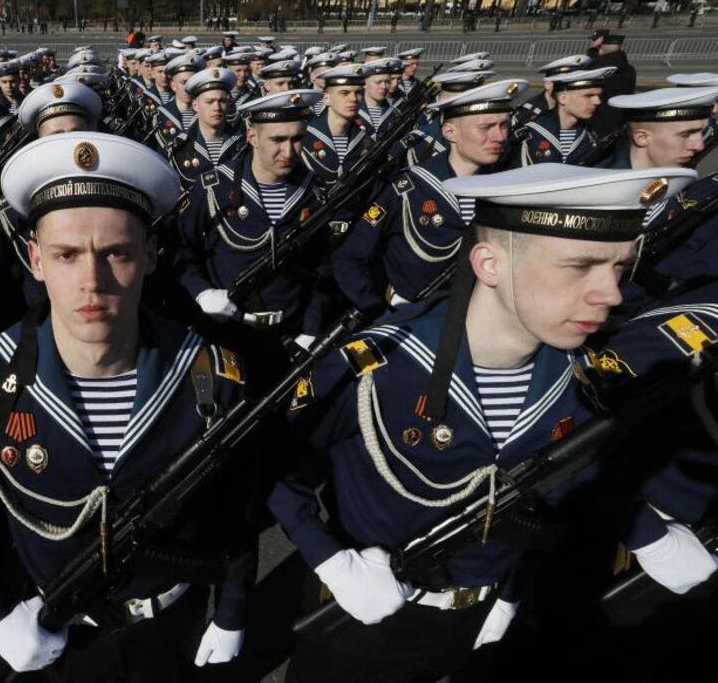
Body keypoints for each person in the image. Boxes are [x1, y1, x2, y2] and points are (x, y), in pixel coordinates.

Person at [270, 163, 707, 683]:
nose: (611, 294)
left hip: (479, 619)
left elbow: (558, 481)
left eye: (618, 269)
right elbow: (270, 460)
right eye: (579, 266)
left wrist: (645, 536)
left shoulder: (576, 378)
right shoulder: (380, 367)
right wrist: (330, 560)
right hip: (360, 618)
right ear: (489, 263)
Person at [0, 132, 256, 680]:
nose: (92, 281)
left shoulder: (213, 373)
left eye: (117, 253)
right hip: (54, 635)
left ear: (151, 254)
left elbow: (239, 505)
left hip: (171, 629)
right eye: (66, 254)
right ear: (34, 259)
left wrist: (234, 606)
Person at [332, 79, 528, 316]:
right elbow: (350, 255)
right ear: (449, 131)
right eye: (486, 127)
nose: (499, 136)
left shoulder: (503, 190)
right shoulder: (407, 188)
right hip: (413, 318)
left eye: (504, 126)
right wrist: (378, 311)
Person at [175, 89, 329, 368]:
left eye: (297, 139)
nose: (289, 151)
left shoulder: (314, 191)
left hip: (289, 335)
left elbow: (322, 265)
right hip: (225, 332)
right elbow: (181, 248)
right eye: (278, 139)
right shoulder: (216, 187)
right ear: (252, 137)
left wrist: (311, 328)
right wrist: (201, 292)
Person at [516, 67, 614, 165]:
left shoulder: (590, 138)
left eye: (598, 96)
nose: (597, 101)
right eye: (588, 95)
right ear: (563, 98)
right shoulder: (530, 133)